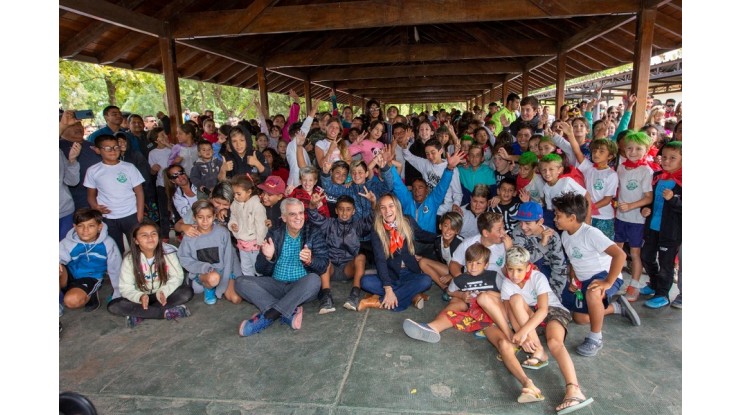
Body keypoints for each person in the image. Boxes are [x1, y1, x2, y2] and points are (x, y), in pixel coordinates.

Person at [490, 245, 595, 413]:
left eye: (519, 270)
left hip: (552, 311)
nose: (514, 275)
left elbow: (544, 310)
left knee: (554, 342)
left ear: (528, 267)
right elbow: (511, 313)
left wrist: (523, 333)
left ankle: (574, 390)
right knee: (515, 299)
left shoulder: (538, 277)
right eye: (510, 270)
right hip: (529, 316)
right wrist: (523, 336)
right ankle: (539, 350)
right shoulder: (508, 283)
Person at [553, 192, 640, 358]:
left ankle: (595, 338)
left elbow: (620, 255)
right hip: (584, 279)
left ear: (572, 217)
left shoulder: (590, 233)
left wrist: (607, 282)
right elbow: (573, 261)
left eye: (558, 216)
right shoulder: (565, 235)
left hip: (604, 275)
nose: (555, 219)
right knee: (580, 318)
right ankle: (616, 308)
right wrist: (573, 278)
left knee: (593, 293)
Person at [235, 198, 328, 336]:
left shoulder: (313, 233)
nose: (298, 218)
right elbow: (260, 269)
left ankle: (268, 317)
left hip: (300, 287)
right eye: (292, 214)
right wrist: (269, 257)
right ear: (284, 217)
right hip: (276, 285)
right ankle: (288, 311)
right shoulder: (274, 233)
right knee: (240, 282)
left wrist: (311, 260)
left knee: (314, 280)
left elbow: (324, 265)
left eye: (301, 213)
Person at [403, 242, 509, 343]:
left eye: (478, 263)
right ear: (465, 263)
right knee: (454, 310)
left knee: (484, 301)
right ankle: (433, 327)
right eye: (470, 262)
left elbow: (505, 296)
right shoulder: (460, 279)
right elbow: (450, 291)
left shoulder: (494, 276)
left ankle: (507, 334)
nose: (473, 266)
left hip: (494, 314)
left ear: (486, 265)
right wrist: (461, 295)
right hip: (473, 314)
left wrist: (487, 295)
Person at [107, 220, 194, 327]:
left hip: (163, 295)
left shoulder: (168, 253)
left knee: (186, 292)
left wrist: (164, 291)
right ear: (136, 241)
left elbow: (177, 277)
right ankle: (165, 313)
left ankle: (140, 314)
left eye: (153, 234)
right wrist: (139, 296)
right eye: (144, 235)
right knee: (114, 305)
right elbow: (125, 287)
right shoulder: (130, 260)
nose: (150, 238)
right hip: (140, 297)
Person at [357, 193, 433, 312]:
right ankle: (411, 295)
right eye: (383, 207)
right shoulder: (377, 229)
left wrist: (443, 236)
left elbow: (423, 235)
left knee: (426, 280)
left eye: (391, 206)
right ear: (379, 211)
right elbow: (380, 260)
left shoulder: (408, 221)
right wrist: (388, 288)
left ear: (397, 207)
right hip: (390, 274)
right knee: (365, 282)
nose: (388, 211)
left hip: (409, 273)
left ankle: (378, 301)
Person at [309, 193, 375, 313]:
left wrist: (373, 204)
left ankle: (354, 295)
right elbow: (314, 217)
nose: (345, 213)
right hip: (331, 269)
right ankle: (326, 298)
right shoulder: (329, 224)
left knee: (361, 257)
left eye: (348, 210)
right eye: (341, 209)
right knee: (324, 259)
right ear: (336, 210)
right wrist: (313, 205)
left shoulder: (357, 226)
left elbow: (372, 219)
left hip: (348, 269)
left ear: (353, 211)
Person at [85, 134, 145, 255]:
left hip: (131, 214)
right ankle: (118, 270)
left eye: (116, 147)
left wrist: (139, 215)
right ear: (97, 150)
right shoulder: (93, 170)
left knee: (137, 246)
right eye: (107, 148)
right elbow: (91, 195)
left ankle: (139, 269)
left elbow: (139, 192)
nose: (113, 151)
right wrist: (95, 207)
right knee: (115, 249)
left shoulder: (129, 167)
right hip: (108, 217)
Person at [639, 141, 682, 309]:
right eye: (664, 157)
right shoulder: (657, 176)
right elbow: (649, 199)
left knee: (666, 264)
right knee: (646, 257)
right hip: (652, 227)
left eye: (673, 158)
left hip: (670, 231)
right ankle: (655, 283)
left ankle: (662, 294)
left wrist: (674, 199)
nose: (667, 161)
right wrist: (645, 209)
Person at [615, 131, 655, 302]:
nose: (633, 152)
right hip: (620, 217)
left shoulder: (646, 171)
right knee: (616, 251)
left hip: (637, 220)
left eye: (638, 148)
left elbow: (648, 197)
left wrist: (630, 206)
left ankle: (634, 285)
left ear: (646, 150)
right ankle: (614, 280)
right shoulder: (621, 167)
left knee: (635, 253)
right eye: (629, 148)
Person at [59, 208, 122, 312]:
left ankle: (90, 295)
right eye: (80, 226)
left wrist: (118, 293)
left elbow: (116, 269)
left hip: (90, 277)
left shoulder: (108, 244)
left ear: (99, 227)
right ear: (74, 227)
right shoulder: (68, 241)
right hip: (69, 274)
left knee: (71, 301)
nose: (85, 230)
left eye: (91, 226)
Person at [177, 200, 235, 305]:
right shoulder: (190, 236)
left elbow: (228, 257)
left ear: (214, 216)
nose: (204, 221)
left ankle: (211, 284)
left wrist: (226, 279)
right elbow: (184, 258)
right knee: (212, 279)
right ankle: (208, 288)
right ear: (194, 218)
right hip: (201, 273)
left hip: (221, 272)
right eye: (200, 217)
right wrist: (204, 268)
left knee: (236, 298)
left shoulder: (223, 233)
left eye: (208, 217)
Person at [511, 202, 568, 300]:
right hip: (525, 275)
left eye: (528, 223)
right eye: (521, 222)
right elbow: (520, 261)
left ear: (540, 222)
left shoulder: (553, 236)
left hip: (548, 275)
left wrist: (554, 295)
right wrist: (542, 244)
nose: (523, 227)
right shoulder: (518, 231)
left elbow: (559, 267)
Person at [402, 138, 463, 216]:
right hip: (427, 209)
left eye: (433, 152)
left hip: (443, 212)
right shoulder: (425, 164)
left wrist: (456, 204)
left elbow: (457, 193)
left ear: (441, 151)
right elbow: (409, 157)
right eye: (427, 154)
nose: (430, 156)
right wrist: (404, 147)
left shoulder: (452, 167)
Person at [228, 176, 268, 277]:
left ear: (249, 192)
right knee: (245, 267)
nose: (236, 196)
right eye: (234, 194)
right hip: (241, 242)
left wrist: (260, 242)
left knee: (257, 267)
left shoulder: (257, 205)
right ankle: (249, 286)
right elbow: (233, 217)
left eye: (239, 194)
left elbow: (261, 226)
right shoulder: (234, 204)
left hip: (255, 244)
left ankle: (260, 286)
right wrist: (233, 225)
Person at [539, 153, 590, 229]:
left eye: (551, 169)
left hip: (575, 220)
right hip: (561, 222)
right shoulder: (546, 188)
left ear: (560, 170)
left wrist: (587, 220)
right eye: (544, 170)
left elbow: (587, 195)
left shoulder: (567, 181)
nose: (547, 173)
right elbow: (550, 209)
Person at [147, 127, 173, 239]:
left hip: (174, 183)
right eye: (161, 136)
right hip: (161, 184)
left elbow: (179, 155)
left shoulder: (172, 148)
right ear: (156, 140)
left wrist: (169, 145)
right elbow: (152, 172)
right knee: (163, 210)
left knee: (175, 208)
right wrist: (153, 169)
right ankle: (165, 235)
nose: (165, 137)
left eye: (165, 134)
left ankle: (179, 232)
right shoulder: (153, 153)